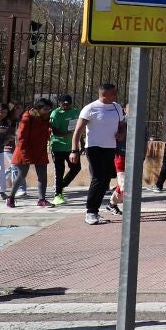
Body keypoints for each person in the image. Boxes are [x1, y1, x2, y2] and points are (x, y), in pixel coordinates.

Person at [72, 82, 126, 225]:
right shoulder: (90, 108)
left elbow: (122, 125)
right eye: (113, 93)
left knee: (106, 179)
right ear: (103, 94)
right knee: (98, 178)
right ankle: (90, 211)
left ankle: (95, 211)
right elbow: (78, 131)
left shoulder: (117, 107)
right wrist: (74, 150)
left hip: (110, 148)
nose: (115, 95)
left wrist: (121, 133)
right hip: (94, 148)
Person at [10, 96, 52, 207]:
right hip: (25, 150)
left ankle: (41, 200)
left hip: (40, 150)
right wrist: (25, 156)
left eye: (49, 109)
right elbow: (21, 138)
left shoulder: (45, 117)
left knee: (42, 175)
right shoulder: (27, 118)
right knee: (22, 175)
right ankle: (11, 197)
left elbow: (45, 131)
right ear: (38, 108)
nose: (48, 111)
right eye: (45, 109)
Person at [48, 95, 78, 206]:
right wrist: (64, 134)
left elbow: (78, 127)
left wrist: (81, 141)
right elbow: (53, 130)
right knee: (59, 170)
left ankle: (62, 185)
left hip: (71, 147)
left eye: (68, 104)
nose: (66, 106)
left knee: (76, 167)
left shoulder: (75, 111)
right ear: (60, 104)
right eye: (64, 104)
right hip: (58, 146)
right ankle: (57, 194)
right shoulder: (55, 114)